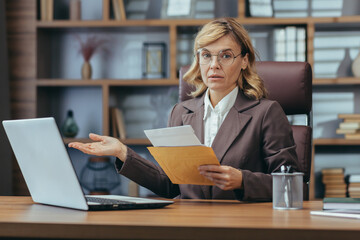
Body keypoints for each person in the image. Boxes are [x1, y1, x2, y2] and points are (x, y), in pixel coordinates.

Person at [69, 17, 300, 202]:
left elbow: (291, 186)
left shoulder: (266, 112)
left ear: (244, 61)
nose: (214, 65)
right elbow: (169, 185)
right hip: (188, 223)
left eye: (226, 55)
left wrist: (243, 180)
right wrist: (122, 152)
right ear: (198, 61)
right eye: (206, 55)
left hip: (241, 225)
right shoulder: (181, 112)